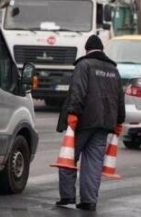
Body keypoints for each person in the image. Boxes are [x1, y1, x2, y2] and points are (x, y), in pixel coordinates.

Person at [56, 35, 125, 211]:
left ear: (87, 50)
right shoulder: (113, 69)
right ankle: (89, 201)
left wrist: (72, 113)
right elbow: (119, 97)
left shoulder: (84, 65)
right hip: (105, 123)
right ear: (102, 50)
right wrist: (119, 121)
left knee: (68, 158)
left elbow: (78, 91)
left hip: (83, 121)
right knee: (94, 163)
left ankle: (67, 197)